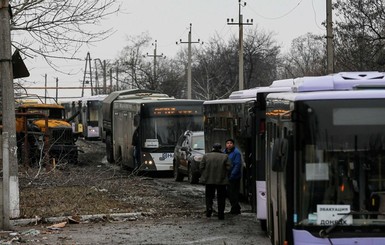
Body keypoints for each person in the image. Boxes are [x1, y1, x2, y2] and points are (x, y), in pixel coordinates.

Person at [200, 143, 232, 220]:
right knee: (221, 197)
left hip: (209, 180)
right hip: (221, 180)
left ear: (213, 148)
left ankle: (209, 208)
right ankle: (221, 214)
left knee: (209, 196)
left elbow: (201, 167)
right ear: (220, 149)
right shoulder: (225, 156)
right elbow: (229, 167)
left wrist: (205, 174)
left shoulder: (206, 156)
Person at [224, 138, 242, 215]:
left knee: (233, 193)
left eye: (230, 143)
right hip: (227, 176)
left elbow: (237, 165)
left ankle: (235, 209)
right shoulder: (224, 152)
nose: (229, 144)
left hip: (234, 177)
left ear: (233, 144)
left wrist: (233, 175)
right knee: (229, 193)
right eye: (227, 143)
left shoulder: (236, 153)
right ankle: (236, 207)